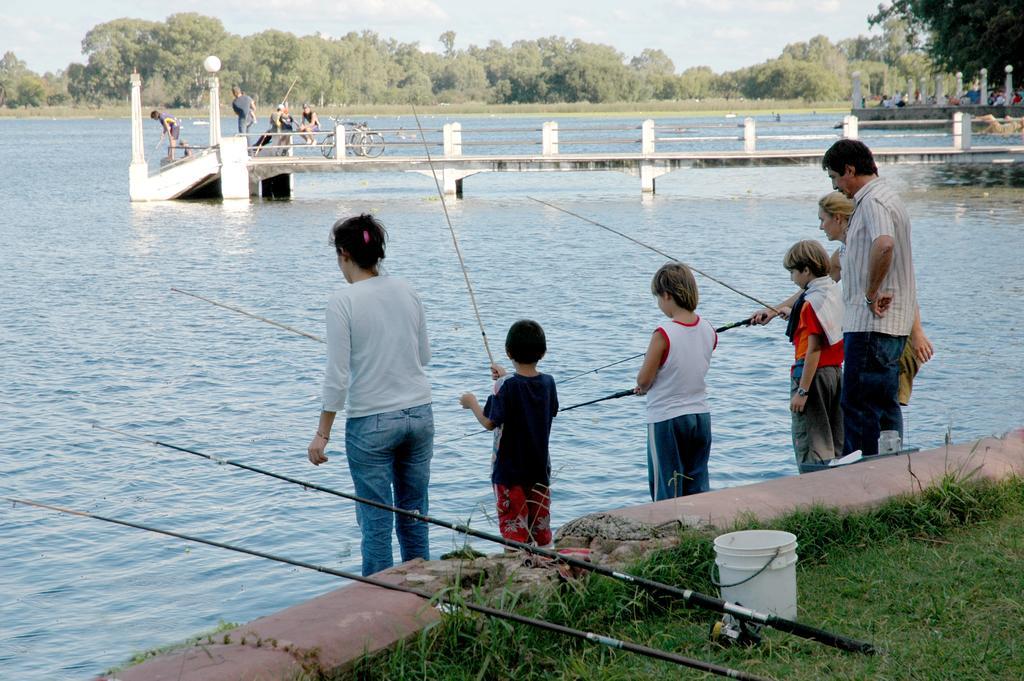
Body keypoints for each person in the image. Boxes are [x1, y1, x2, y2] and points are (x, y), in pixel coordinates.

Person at [307, 214, 434, 576]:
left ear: (344, 253)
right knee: (414, 513)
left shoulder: (342, 301)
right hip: (420, 414)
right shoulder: (408, 290)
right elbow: (423, 356)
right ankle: (422, 596)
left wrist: (322, 433)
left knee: (377, 521)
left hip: (372, 423)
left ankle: (379, 606)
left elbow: (337, 376)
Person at [822, 139, 917, 457]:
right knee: (883, 404)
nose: (836, 185)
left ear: (850, 170)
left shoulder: (873, 200)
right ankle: (890, 467)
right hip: (891, 324)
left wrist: (871, 292)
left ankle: (861, 473)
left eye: (835, 177)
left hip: (871, 324)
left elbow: (885, 244)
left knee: (859, 402)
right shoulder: (888, 195)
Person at [460, 321, 558, 547]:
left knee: (514, 536)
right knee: (541, 534)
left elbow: (489, 422)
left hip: (508, 474)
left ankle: (519, 573)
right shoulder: (548, 383)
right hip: (539, 471)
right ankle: (544, 569)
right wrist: (506, 377)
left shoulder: (505, 385)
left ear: (508, 351)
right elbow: (542, 405)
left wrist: (471, 403)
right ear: (543, 353)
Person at [635, 262, 716, 500]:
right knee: (697, 486)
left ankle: (668, 535)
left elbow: (644, 379)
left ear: (667, 295)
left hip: (667, 418)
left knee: (667, 489)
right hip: (700, 415)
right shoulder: (708, 329)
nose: (659, 304)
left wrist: (641, 387)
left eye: (658, 298)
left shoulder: (663, 333)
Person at [780, 240, 845, 468]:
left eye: (793, 273)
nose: (792, 279)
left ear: (806, 270)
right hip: (835, 374)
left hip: (811, 377)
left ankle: (814, 493)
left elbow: (813, 349)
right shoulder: (832, 290)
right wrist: (786, 311)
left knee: (811, 442)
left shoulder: (811, 304)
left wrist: (802, 391)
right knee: (833, 439)